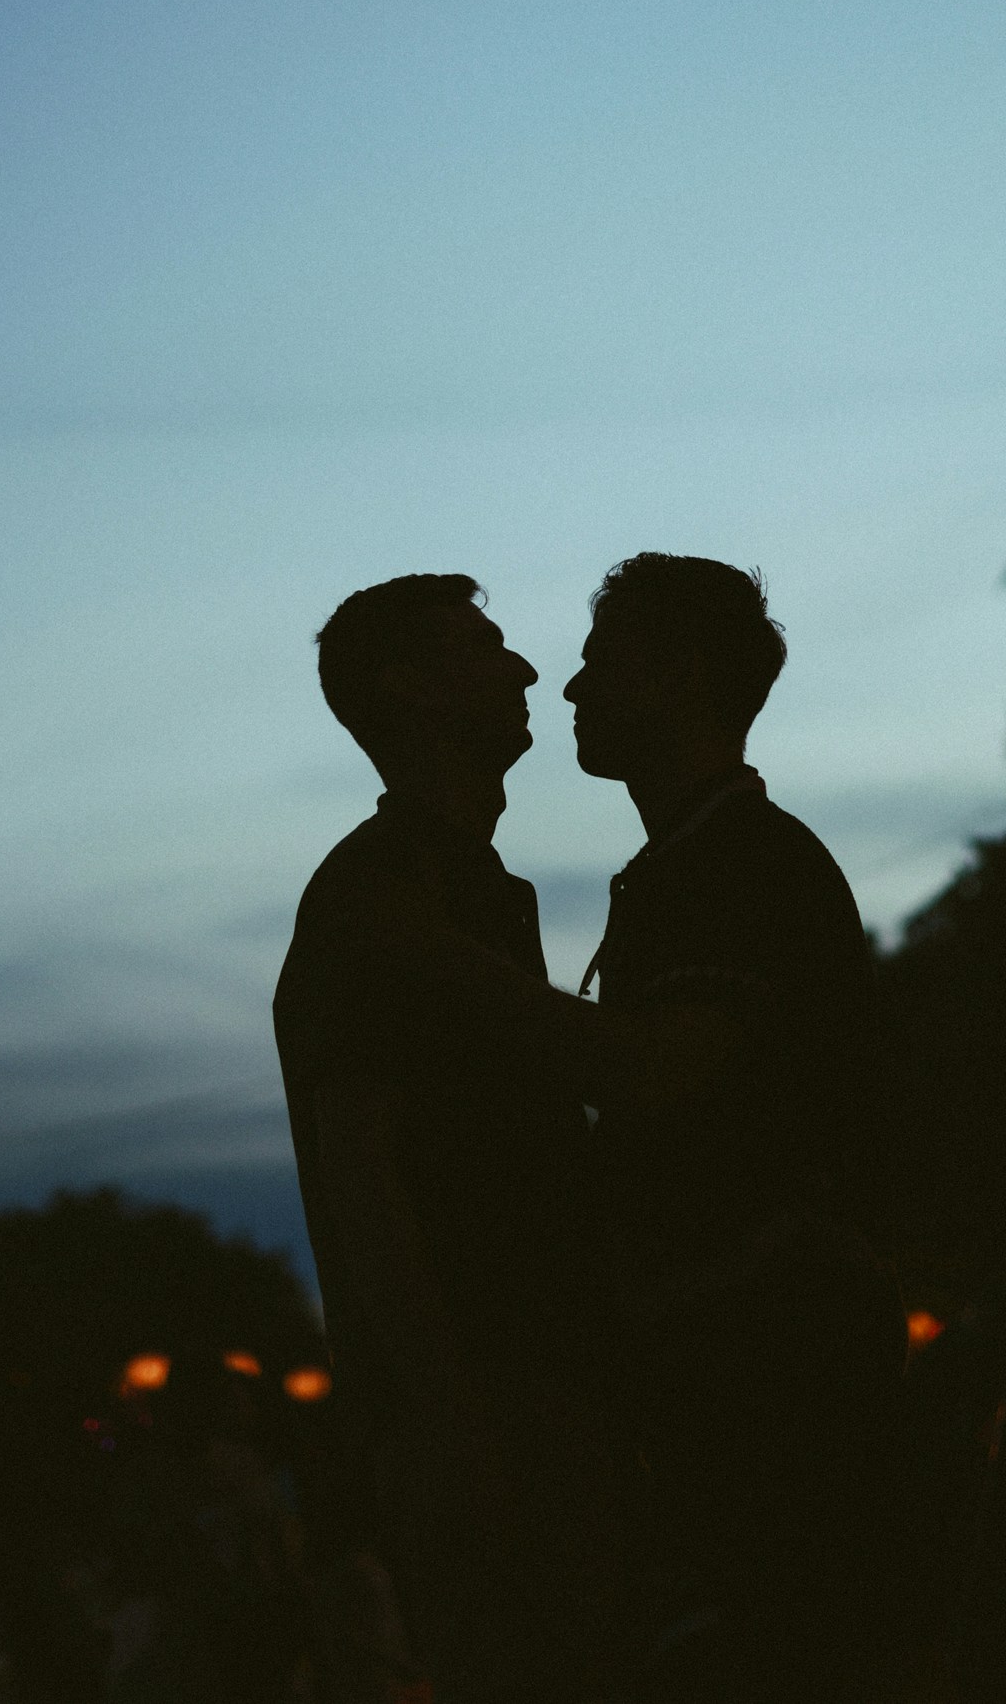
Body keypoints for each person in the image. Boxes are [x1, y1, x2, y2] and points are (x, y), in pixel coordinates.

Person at [565, 550, 904, 1704]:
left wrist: (456, 990)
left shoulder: (745, 863)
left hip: (777, 1372)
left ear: (673, 675)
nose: (569, 690)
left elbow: (660, 1072)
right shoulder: (692, 864)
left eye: (597, 660)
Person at [273, 573, 617, 1704]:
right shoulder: (378, 898)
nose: (522, 671)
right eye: (486, 649)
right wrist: (450, 1418)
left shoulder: (450, 886)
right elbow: (362, 1173)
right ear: (408, 690)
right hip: (492, 1406)